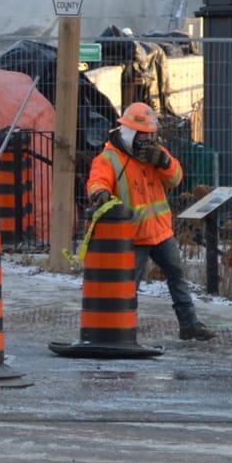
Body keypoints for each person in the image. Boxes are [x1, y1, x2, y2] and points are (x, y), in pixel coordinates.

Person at [87, 101, 214, 341]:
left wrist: (164, 163)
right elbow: (96, 182)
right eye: (143, 135)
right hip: (132, 235)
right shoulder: (109, 159)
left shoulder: (157, 154)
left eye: (150, 135)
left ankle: (189, 324)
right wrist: (99, 194)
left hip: (160, 232)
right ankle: (123, 332)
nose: (148, 140)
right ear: (130, 132)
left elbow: (176, 178)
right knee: (128, 287)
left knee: (177, 277)